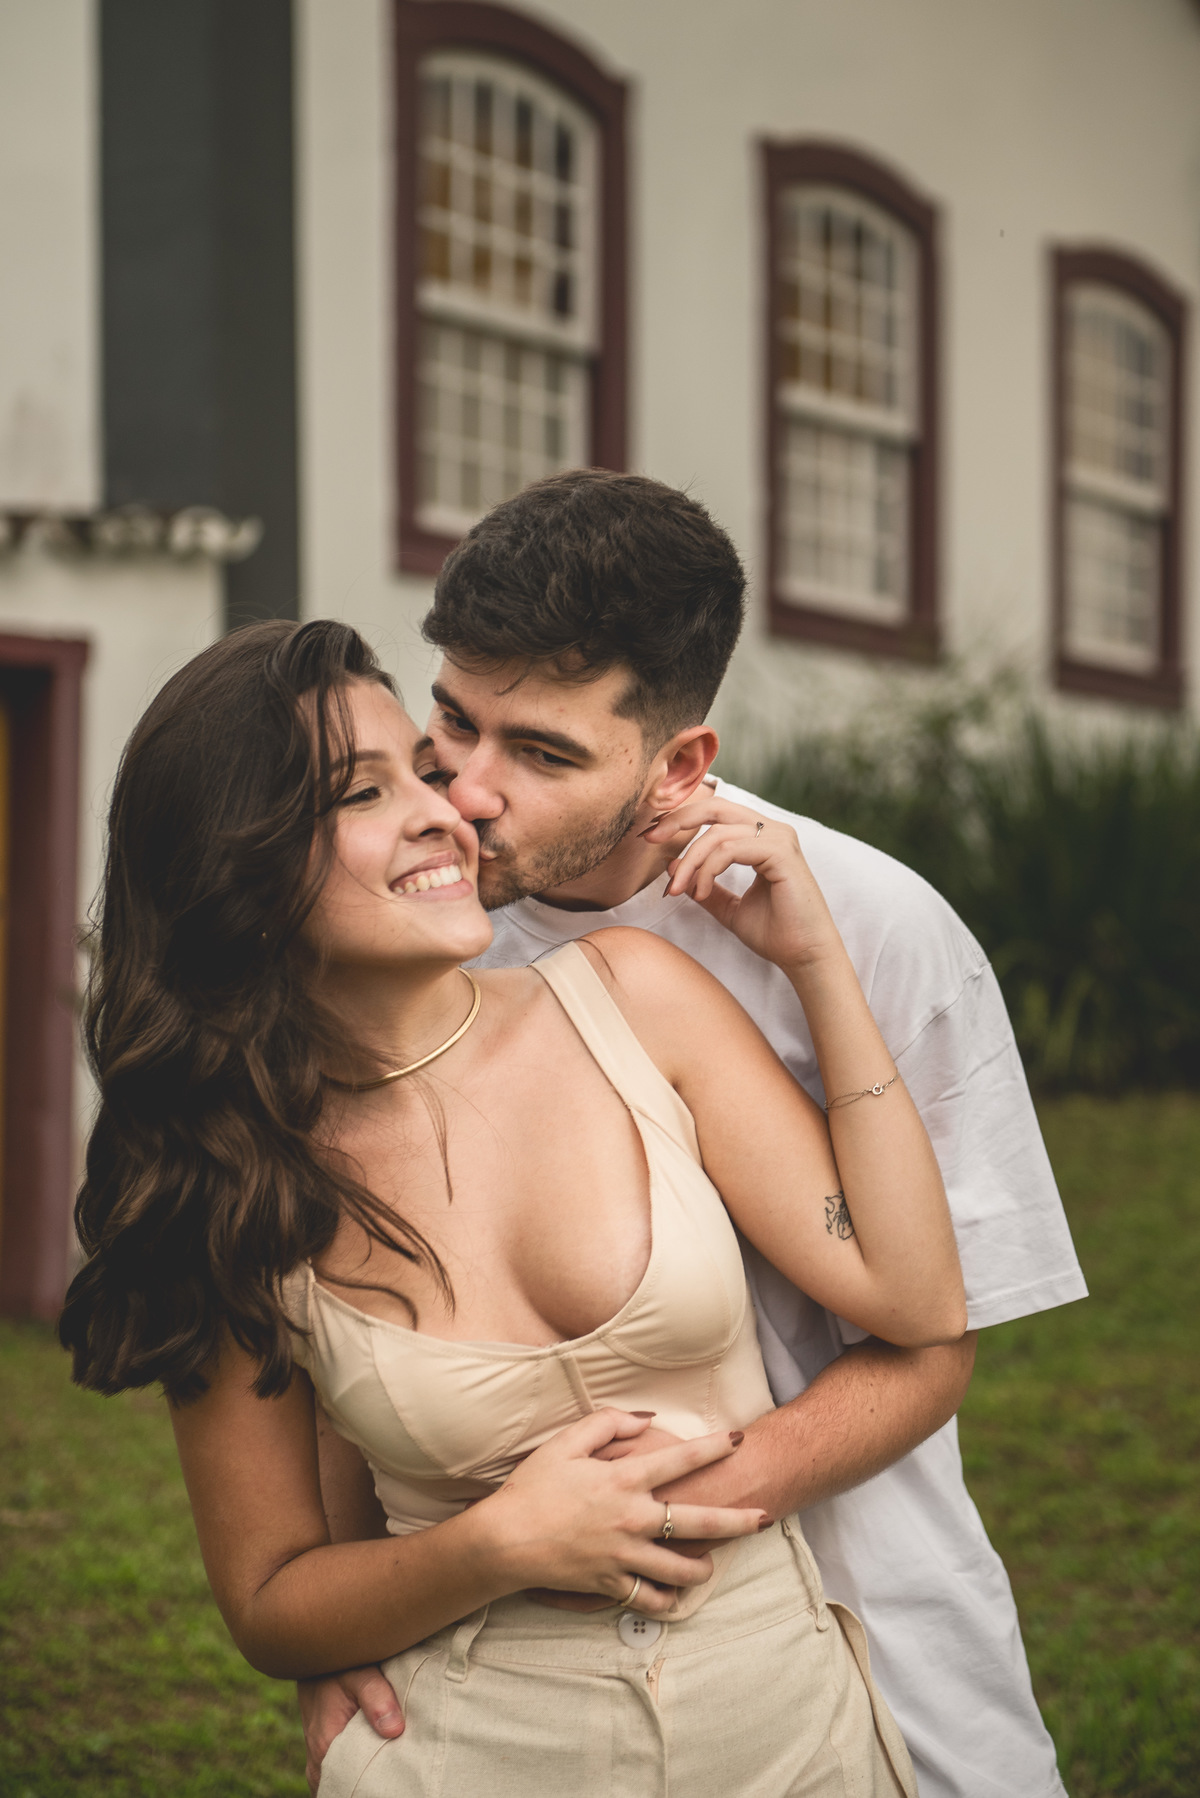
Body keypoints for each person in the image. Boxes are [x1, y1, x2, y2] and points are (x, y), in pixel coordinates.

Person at [60, 616, 968, 1798]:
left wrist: (819, 966)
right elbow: (274, 1598)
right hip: (470, 1749)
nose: (444, 810)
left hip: (787, 1732)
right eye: (361, 793)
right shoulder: (234, 1183)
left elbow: (917, 1300)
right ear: (243, 869)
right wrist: (492, 1543)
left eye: (420, 771)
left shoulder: (631, 1000)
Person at [300, 471, 1086, 1798]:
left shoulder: (878, 929)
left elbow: (935, 1338)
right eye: (453, 724)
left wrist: (668, 1510)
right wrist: (347, 1609)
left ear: (680, 765)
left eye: (541, 752)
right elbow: (336, 1313)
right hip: (511, 1676)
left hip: (877, 1615)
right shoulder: (408, 920)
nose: (469, 794)